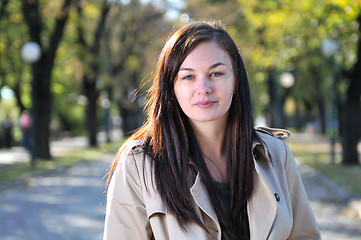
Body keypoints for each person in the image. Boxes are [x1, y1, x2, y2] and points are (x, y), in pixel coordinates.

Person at [103, 21, 320, 240]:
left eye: (216, 73)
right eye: (188, 77)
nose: (204, 89)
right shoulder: (138, 164)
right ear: (171, 87)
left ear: (235, 79)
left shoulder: (275, 153)